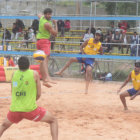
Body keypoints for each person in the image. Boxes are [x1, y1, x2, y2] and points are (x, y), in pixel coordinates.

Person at [0, 56, 58, 140]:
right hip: (30, 109)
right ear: (29, 65)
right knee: (53, 121)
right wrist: (30, 101)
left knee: (3, 126)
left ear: (18, 65)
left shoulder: (14, 74)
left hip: (15, 109)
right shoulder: (34, 74)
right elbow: (38, 94)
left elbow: (12, 92)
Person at [36, 8, 58, 87]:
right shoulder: (47, 24)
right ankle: (48, 77)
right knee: (45, 60)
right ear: (45, 14)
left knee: (42, 61)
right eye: (47, 14)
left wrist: (42, 15)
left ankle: (44, 80)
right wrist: (55, 24)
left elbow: (38, 15)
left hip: (39, 41)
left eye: (50, 14)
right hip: (44, 41)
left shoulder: (42, 18)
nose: (49, 15)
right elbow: (55, 34)